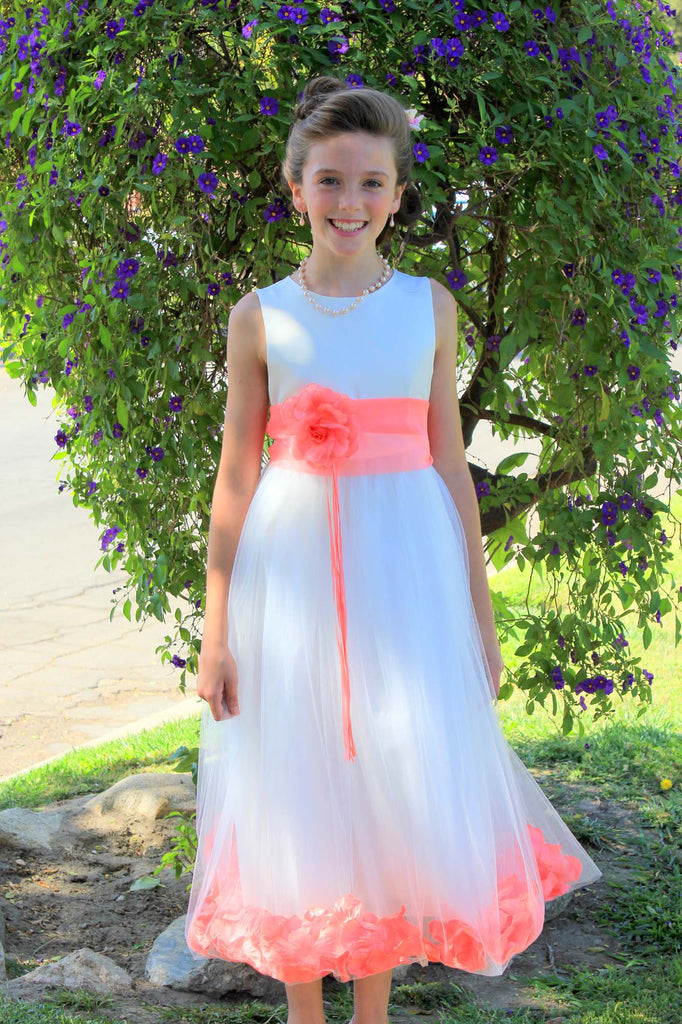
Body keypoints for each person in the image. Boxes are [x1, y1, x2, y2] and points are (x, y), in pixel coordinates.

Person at [184, 76, 602, 1024]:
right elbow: (236, 479)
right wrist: (216, 633)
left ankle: (371, 1012)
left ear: (398, 196)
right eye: (329, 181)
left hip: (404, 575)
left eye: (371, 183)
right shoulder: (261, 316)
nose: (350, 202)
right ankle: (304, 1009)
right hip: (288, 576)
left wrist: (477, 622)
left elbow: (452, 471)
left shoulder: (428, 307)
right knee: (297, 770)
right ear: (296, 189)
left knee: (389, 768)